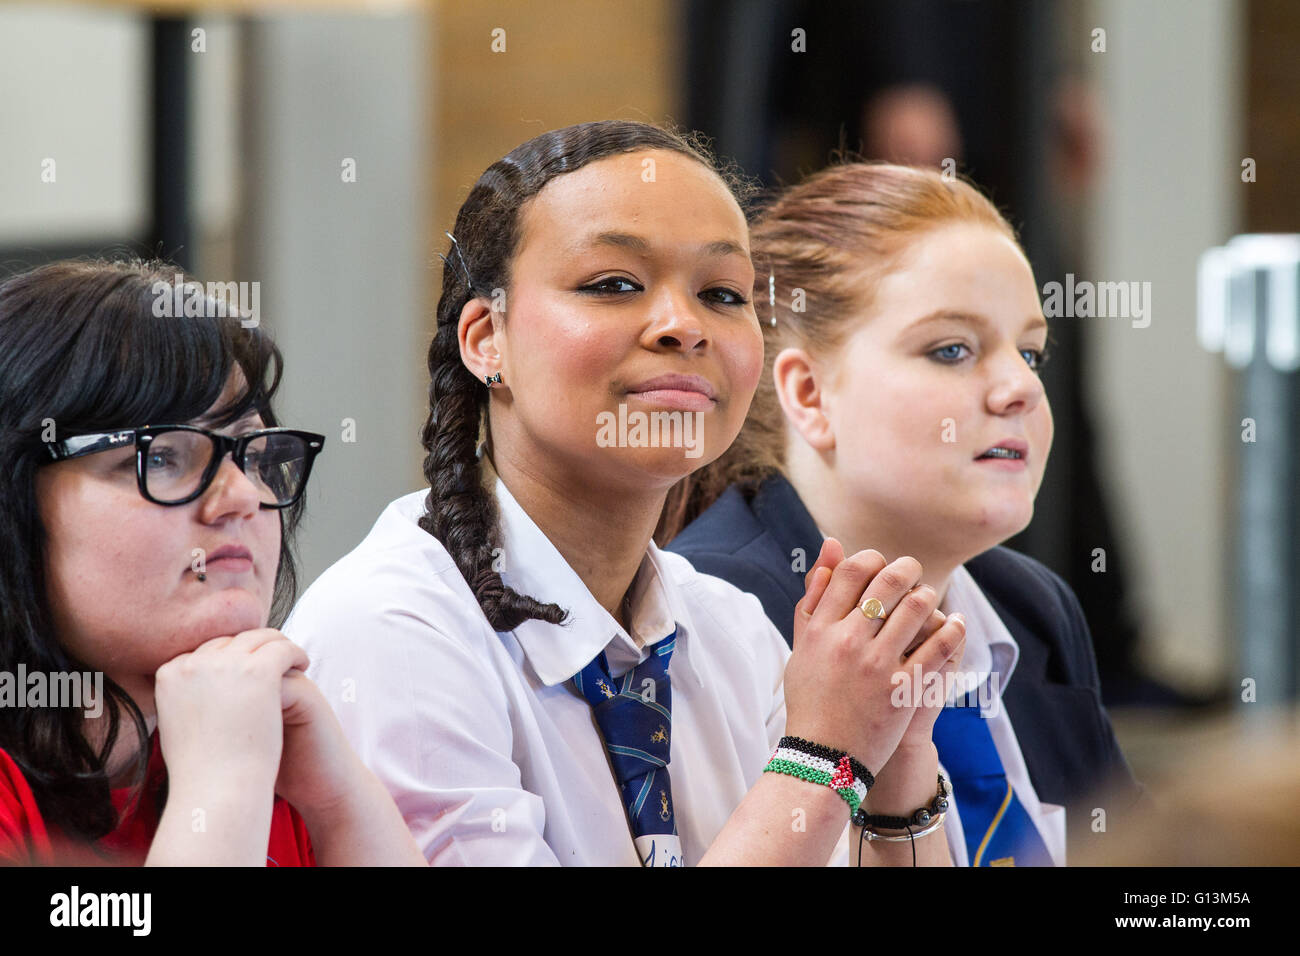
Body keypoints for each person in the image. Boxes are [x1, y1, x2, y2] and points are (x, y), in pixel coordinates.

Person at [286, 120, 968, 866]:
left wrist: (896, 766)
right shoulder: (392, 630)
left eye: (722, 293)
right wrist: (822, 756)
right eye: (614, 284)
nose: (683, 326)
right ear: (486, 339)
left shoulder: (729, 632)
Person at [664, 162, 1144, 865]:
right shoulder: (709, 611)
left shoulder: (1031, 606)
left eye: (1030, 351)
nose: (1019, 387)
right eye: (952, 349)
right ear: (808, 393)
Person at [0, 259, 426, 866]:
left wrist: (338, 800)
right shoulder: (227, 761)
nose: (243, 498)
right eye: (164, 457)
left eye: (252, 455)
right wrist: (221, 790)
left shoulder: (244, 740)